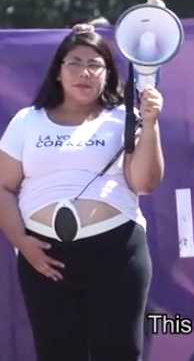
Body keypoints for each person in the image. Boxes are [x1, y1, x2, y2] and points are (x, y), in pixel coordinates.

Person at [0, 23, 164, 361]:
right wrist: (23, 243)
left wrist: (150, 123)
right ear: (58, 71)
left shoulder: (124, 118)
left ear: (107, 74)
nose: (84, 72)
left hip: (117, 253)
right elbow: (3, 187)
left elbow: (145, 183)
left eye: (95, 65)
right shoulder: (27, 121)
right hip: (45, 258)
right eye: (74, 63)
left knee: (119, 352)